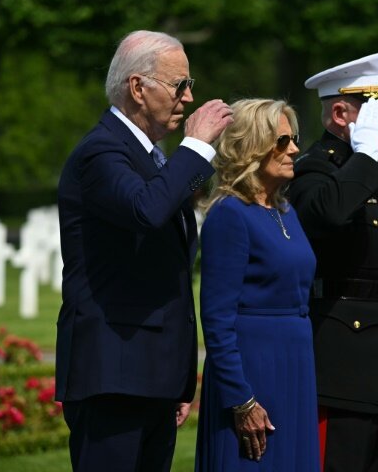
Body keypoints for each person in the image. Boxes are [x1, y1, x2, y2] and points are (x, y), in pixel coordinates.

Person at [56, 30, 233, 471]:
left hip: (153, 374)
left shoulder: (148, 156)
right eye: (180, 85)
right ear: (138, 87)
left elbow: (169, 219)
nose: (188, 97)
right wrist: (197, 146)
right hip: (115, 373)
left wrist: (176, 377)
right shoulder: (101, 151)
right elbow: (146, 210)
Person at [287, 51, 378, 472]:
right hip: (342, 364)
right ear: (341, 113)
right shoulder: (315, 170)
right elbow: (328, 213)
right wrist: (364, 158)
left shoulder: (365, 171)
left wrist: (365, 161)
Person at [195, 98, 320, 471]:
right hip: (255, 371)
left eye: (294, 139)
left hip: (295, 363)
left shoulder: (284, 210)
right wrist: (241, 399)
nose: (294, 149)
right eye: (282, 141)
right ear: (252, 146)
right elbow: (217, 319)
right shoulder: (229, 214)